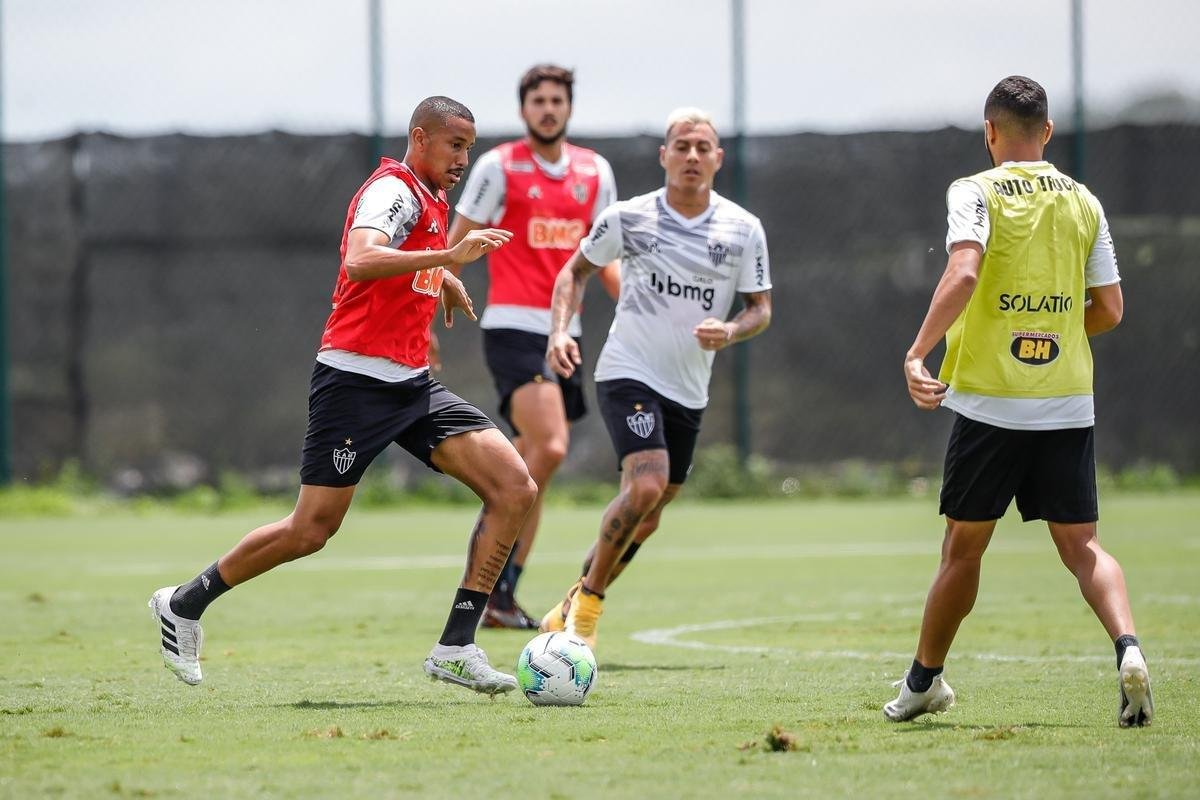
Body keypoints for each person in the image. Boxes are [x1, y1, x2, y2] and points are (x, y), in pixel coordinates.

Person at [149, 96, 538, 696]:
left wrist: (444, 279)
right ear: (420, 137)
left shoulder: (431, 197)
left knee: (515, 488)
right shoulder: (394, 190)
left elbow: (402, 261)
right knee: (310, 531)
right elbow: (361, 259)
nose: (464, 157)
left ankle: (456, 646)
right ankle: (184, 603)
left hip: (410, 385)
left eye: (470, 146)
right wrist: (448, 257)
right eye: (455, 144)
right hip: (354, 384)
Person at [885, 76, 1153, 727]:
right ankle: (1129, 649)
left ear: (991, 132)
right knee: (1083, 547)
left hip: (990, 405)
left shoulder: (974, 190)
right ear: (1049, 132)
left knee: (963, 550)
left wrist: (918, 351)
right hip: (1066, 400)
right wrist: (1054, 333)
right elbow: (1111, 309)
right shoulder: (1084, 200)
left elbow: (965, 269)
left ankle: (923, 682)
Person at [538, 107, 772, 649]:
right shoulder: (629, 217)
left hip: (689, 387)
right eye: (682, 146)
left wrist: (732, 330)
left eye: (703, 147)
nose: (692, 156)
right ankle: (587, 613)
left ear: (719, 158)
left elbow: (760, 308)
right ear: (664, 155)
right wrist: (560, 332)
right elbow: (574, 271)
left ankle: (568, 605)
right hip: (628, 371)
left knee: (648, 515)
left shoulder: (742, 229)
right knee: (644, 484)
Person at [446, 64, 620, 629]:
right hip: (514, 328)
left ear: (569, 107)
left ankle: (498, 590)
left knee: (531, 469)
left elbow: (606, 258)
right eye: (538, 100)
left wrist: (642, 309)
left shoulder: (595, 171)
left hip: (569, 331)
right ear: (524, 109)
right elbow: (453, 242)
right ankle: (494, 580)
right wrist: (429, 305)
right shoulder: (499, 166)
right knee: (547, 447)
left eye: (557, 100)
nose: (548, 108)